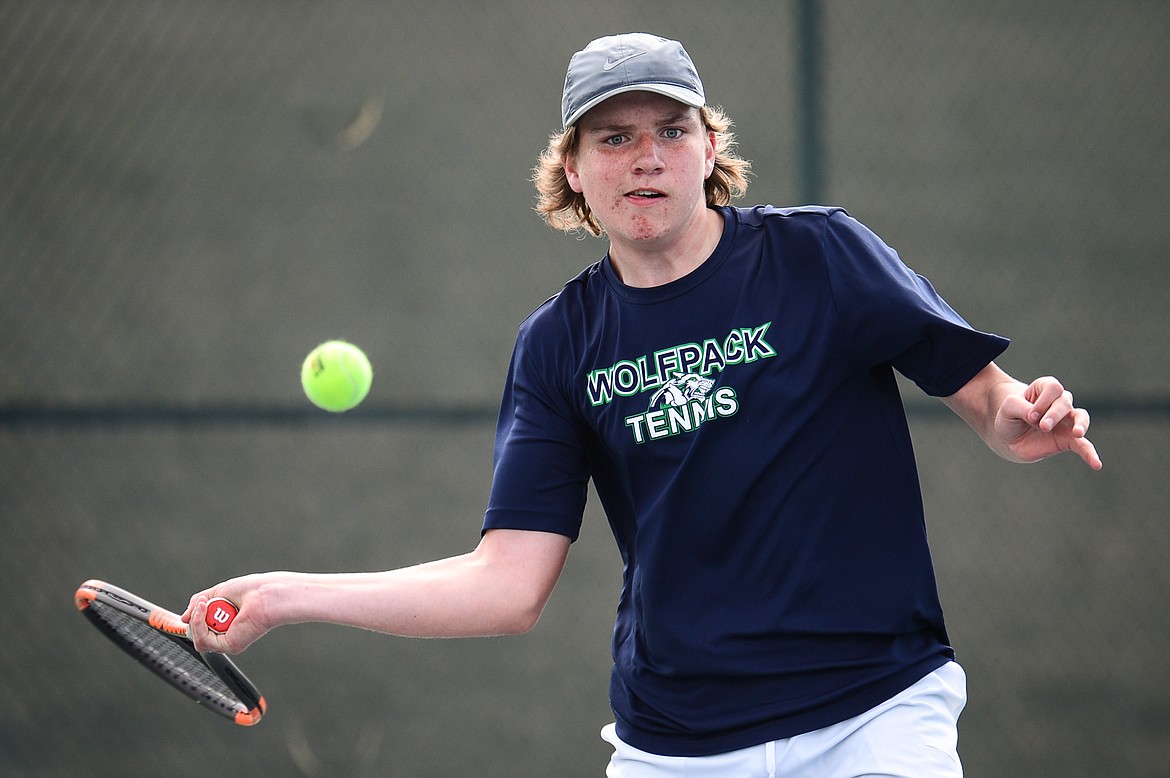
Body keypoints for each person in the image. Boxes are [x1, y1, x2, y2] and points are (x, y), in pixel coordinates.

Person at [185, 33, 1102, 777]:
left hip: (874, 713)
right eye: (613, 139)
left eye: (669, 129)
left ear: (710, 146)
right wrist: (285, 595)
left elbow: (987, 397)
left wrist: (1016, 416)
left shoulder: (823, 257)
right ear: (574, 171)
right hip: (678, 743)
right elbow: (506, 586)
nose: (645, 158)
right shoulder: (559, 343)